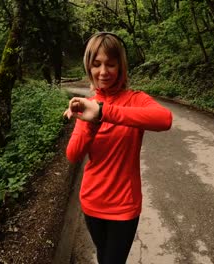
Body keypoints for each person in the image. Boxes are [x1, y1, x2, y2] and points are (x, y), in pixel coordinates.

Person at [63, 32, 172, 264]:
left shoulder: (135, 99)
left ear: (120, 66)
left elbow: (164, 119)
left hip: (124, 206)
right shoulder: (88, 105)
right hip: (91, 202)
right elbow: (73, 155)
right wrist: (89, 122)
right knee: (104, 257)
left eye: (110, 64)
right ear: (89, 68)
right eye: (97, 65)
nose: (103, 71)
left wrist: (104, 112)